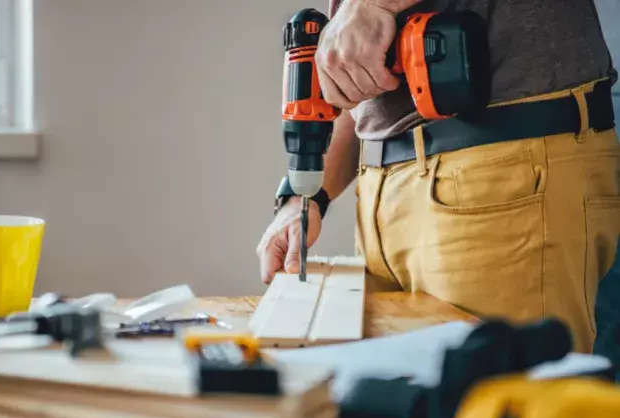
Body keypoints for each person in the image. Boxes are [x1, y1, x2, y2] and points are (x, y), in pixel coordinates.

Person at [257, 0, 620, 354]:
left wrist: (372, 5)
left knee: (507, 403)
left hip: (497, 171)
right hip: (383, 194)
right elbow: (359, 95)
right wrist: (305, 194)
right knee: (406, 408)